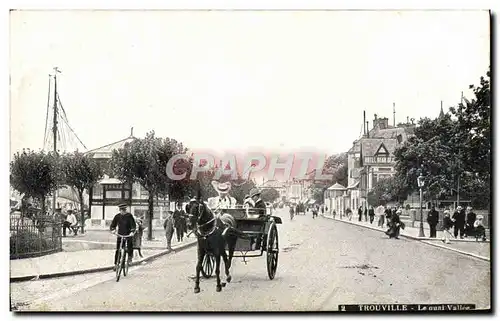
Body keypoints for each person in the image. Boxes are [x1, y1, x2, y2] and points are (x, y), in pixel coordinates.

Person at [110, 203, 136, 270]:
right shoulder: (117, 216)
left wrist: (132, 232)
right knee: (118, 249)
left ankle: (130, 257)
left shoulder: (129, 216)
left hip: (128, 234)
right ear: (119, 210)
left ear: (125, 210)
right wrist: (113, 230)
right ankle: (116, 264)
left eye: (123, 210)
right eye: (121, 210)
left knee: (130, 245)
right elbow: (113, 225)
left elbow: (133, 225)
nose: (122, 211)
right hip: (120, 234)